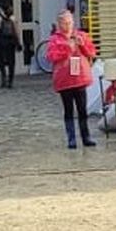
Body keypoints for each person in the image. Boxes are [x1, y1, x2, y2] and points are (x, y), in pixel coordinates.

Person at [45, 9, 98, 149]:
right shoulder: (55, 39)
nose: (67, 26)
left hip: (80, 77)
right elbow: (51, 57)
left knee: (82, 109)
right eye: (64, 23)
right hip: (64, 80)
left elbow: (92, 53)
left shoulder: (81, 35)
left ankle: (86, 137)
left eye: (69, 22)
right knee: (68, 110)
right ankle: (71, 138)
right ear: (59, 24)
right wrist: (67, 48)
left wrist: (82, 45)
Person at [0, 5, 21, 88]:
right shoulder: (13, 18)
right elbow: (16, 31)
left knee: (0, 61)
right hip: (10, 42)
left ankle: (3, 78)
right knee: (11, 61)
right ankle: (10, 81)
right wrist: (18, 42)